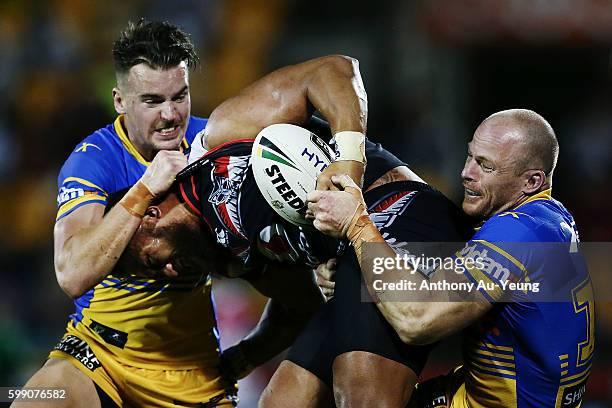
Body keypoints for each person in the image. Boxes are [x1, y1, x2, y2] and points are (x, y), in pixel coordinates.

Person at [131, 55, 473, 407]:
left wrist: (349, 165)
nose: (170, 271)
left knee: (361, 393)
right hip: (357, 263)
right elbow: (297, 306)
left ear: (149, 216)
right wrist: (237, 362)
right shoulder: (229, 257)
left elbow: (334, 70)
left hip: (401, 212)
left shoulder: (219, 140)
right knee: (282, 402)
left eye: (150, 260)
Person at [308, 109, 594, 407]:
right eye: (470, 156)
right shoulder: (547, 220)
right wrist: (356, 277)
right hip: (482, 391)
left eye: (485, 166)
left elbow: (418, 321)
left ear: (532, 181)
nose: (466, 173)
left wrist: (356, 225)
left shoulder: (515, 234)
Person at [13, 19, 234, 408]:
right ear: (120, 101)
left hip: (189, 374)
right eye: (152, 101)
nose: (169, 115)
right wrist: (146, 188)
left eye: (179, 97)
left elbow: (326, 72)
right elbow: (71, 274)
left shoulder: (215, 147)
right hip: (99, 354)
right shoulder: (93, 161)